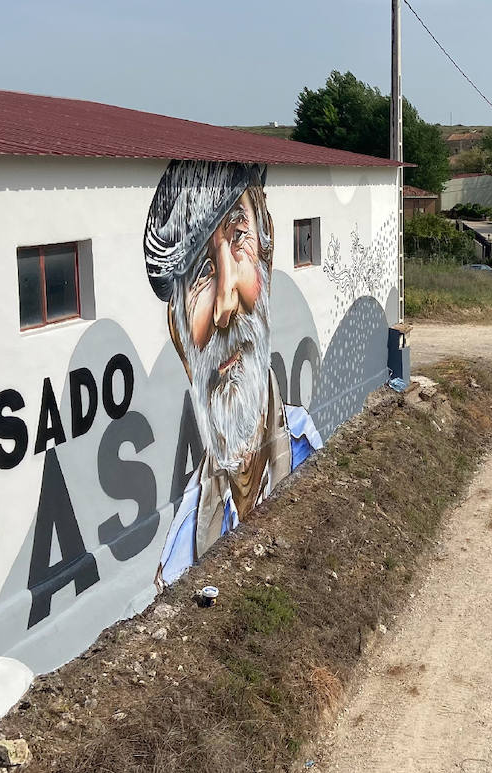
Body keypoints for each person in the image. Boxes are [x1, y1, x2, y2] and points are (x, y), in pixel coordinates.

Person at [143, 161, 321, 587]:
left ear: (267, 251)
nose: (226, 301)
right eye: (201, 273)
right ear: (180, 336)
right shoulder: (180, 563)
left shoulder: (308, 447)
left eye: (238, 238)